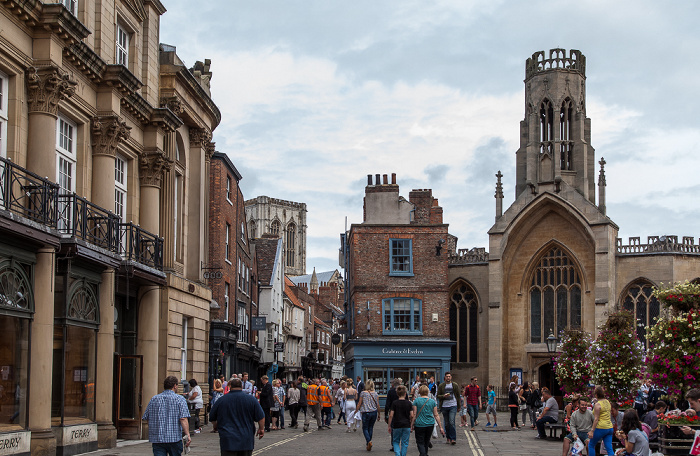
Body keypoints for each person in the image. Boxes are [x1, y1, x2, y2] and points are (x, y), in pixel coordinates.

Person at [209, 378, 265, 456]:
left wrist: (215, 426)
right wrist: (261, 429)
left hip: (228, 440)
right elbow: (261, 417)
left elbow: (212, 417)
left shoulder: (221, 400)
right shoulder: (251, 400)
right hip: (246, 439)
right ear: (242, 386)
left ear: (230, 386)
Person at [142, 375, 192, 456]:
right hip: (174, 438)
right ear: (175, 386)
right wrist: (187, 435)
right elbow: (183, 419)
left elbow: (147, 417)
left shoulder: (154, 399)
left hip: (158, 439)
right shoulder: (180, 399)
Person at [412, 384, 444, 456]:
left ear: (419, 392)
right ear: (427, 392)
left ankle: (423, 454)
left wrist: (411, 425)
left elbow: (414, 414)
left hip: (419, 424)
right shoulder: (432, 401)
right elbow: (436, 415)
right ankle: (425, 454)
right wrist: (440, 427)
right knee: (426, 442)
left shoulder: (416, 401)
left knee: (420, 442)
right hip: (430, 424)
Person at [587, 386, 615, 456]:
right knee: (609, 448)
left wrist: (592, 431)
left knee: (591, 444)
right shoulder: (608, 402)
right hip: (609, 427)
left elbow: (596, 419)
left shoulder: (597, 405)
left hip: (601, 427)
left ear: (596, 395)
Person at [388, 385, 414, 456]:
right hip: (406, 425)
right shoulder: (408, 403)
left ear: (397, 394)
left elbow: (391, 415)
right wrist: (411, 424)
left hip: (397, 425)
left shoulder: (394, 403)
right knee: (405, 442)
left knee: (395, 441)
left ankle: (397, 454)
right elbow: (412, 415)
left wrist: (389, 425)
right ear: (405, 394)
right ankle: (403, 454)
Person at [436, 372, 461, 445]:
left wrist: (459, 406)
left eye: (449, 376)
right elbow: (438, 396)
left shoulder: (455, 385)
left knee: (451, 422)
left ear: (451, 377)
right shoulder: (441, 386)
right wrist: (443, 396)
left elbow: (458, 396)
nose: (448, 378)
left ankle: (453, 439)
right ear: (445, 377)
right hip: (444, 406)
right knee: (446, 424)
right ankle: (448, 437)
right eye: (447, 376)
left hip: (453, 405)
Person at [356, 379, 380, 451]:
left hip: (366, 412)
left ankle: (368, 441)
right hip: (374, 412)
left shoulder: (363, 393)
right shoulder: (375, 394)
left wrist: (356, 410)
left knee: (365, 428)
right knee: (371, 427)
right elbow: (378, 405)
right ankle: (368, 443)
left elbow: (359, 403)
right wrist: (379, 414)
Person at [385, 379, 400, 451]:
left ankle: (394, 444)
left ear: (393, 384)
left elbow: (387, 404)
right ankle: (398, 444)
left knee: (393, 428)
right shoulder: (403, 391)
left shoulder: (390, 392)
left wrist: (385, 414)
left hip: (393, 412)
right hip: (402, 411)